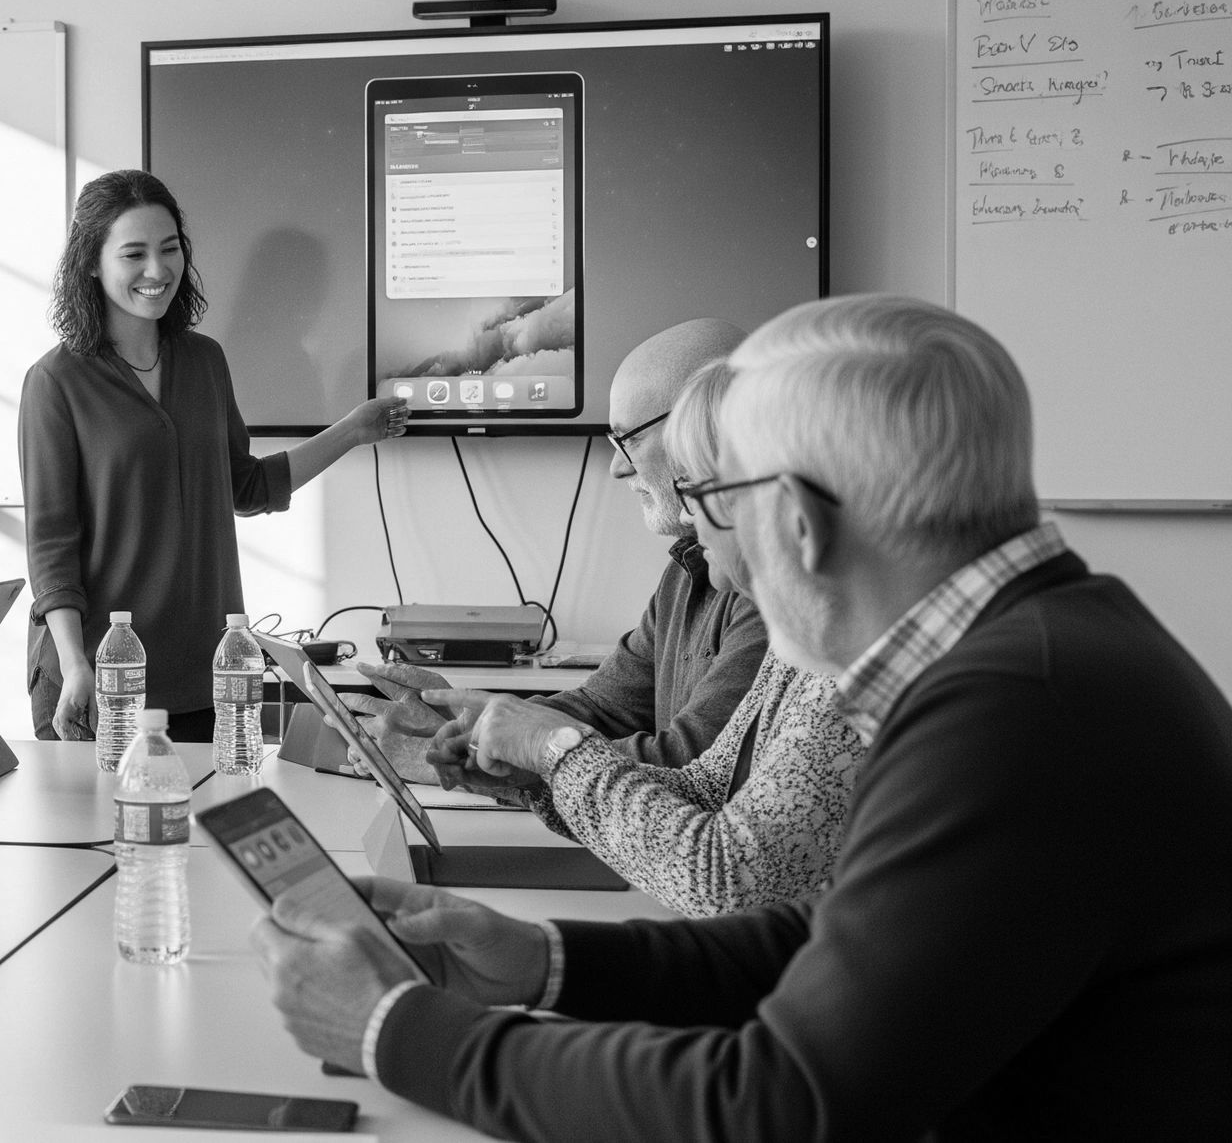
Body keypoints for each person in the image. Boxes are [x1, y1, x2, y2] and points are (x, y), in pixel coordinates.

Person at [254, 294, 1232, 1140]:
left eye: (715, 497)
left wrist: (395, 1029)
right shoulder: (1047, 649)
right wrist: (535, 961)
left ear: (799, 524)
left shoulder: (1015, 713)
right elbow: (829, 945)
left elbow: (771, 1109)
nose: (708, 544)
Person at [390, 358, 862, 915]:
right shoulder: (792, 631)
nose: (691, 516)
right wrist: (497, 745)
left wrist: (550, 749)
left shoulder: (827, 641)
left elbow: (725, 877)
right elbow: (703, 785)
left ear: (790, 505)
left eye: (698, 490)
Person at [22, 169, 408, 742]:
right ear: (91, 264)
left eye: (170, 248)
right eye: (134, 254)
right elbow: (52, 547)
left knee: (203, 830)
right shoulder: (55, 382)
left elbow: (245, 486)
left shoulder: (204, 361)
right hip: (102, 682)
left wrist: (352, 430)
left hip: (208, 675)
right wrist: (76, 665)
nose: (157, 270)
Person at [360, 316, 765, 790]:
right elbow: (602, 708)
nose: (616, 467)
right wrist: (476, 730)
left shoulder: (769, 588)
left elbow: (689, 765)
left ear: (708, 427)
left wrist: (494, 758)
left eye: (629, 439)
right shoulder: (686, 567)